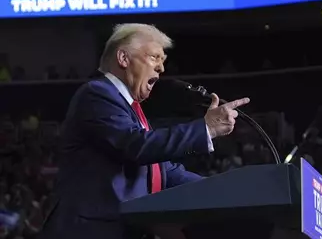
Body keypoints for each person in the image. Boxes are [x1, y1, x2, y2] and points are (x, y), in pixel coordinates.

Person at [39, 23, 250, 239]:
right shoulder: (96, 94)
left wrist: (222, 189)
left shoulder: (129, 109)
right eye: (154, 57)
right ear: (123, 59)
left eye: (163, 61)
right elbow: (136, 145)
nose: (161, 68)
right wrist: (205, 128)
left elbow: (163, 171)